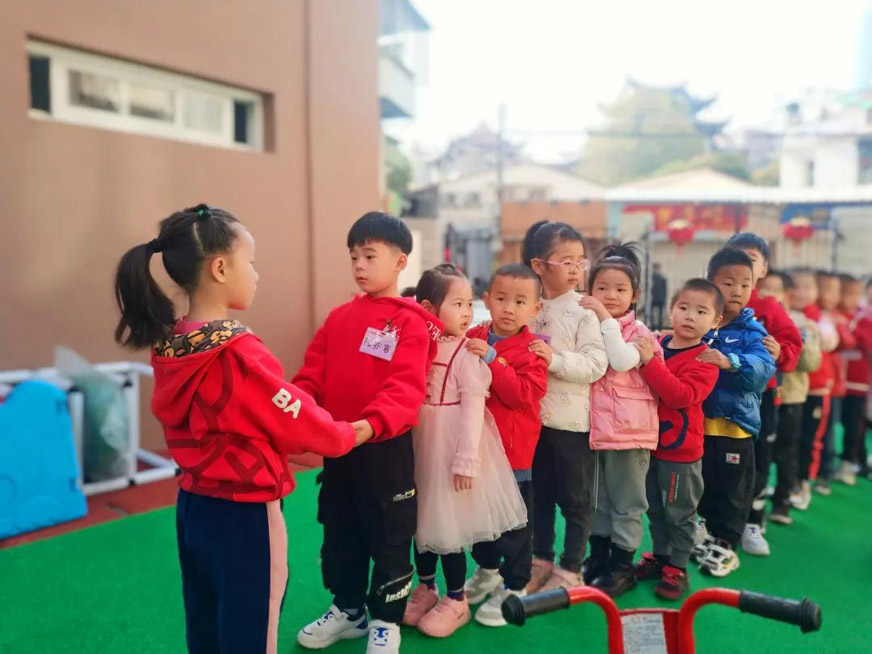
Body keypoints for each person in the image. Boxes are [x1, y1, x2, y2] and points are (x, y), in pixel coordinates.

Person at [114, 204, 371, 654]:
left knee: (205, 621)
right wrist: (354, 431)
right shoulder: (236, 352)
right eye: (249, 262)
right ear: (219, 268)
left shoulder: (172, 343)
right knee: (249, 630)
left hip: (193, 505)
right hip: (244, 515)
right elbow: (297, 421)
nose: (256, 274)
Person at [294, 212, 441, 654]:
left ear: (400, 262)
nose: (359, 265)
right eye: (354, 256)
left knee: (390, 536)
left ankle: (385, 622)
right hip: (339, 447)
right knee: (340, 529)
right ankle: (349, 610)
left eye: (370, 256)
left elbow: (405, 387)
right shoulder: (338, 318)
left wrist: (369, 425)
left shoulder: (411, 322)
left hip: (384, 448)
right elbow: (310, 376)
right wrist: (296, 411)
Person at [402, 265, 526, 638]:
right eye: (457, 304)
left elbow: (473, 408)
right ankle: (427, 587)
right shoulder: (419, 346)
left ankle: (456, 599)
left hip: (451, 447)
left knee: (448, 526)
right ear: (428, 308)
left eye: (469, 304)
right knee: (420, 521)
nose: (467, 313)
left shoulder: (466, 352)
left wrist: (466, 460)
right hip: (419, 445)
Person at [520, 221, 607, 594]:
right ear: (539, 265)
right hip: (533, 422)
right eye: (566, 261)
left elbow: (596, 364)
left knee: (574, 500)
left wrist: (553, 359)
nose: (576, 269)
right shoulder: (528, 307)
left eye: (580, 261)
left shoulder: (584, 311)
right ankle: (541, 559)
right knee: (538, 495)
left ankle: (571, 568)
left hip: (571, 424)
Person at [463, 264, 548, 627]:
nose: (509, 308)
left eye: (519, 301)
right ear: (487, 300)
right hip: (476, 450)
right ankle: (487, 570)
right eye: (501, 299)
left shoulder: (535, 350)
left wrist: (491, 359)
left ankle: (516, 585)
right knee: (479, 517)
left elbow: (522, 395)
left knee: (514, 525)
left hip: (514, 455)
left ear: (535, 308)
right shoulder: (474, 334)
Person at [632, 278, 722, 600]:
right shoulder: (657, 343)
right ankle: (661, 557)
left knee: (679, 513)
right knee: (654, 509)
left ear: (715, 321)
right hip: (648, 445)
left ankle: (678, 567)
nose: (690, 316)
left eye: (701, 311)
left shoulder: (705, 360)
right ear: (671, 309)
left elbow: (680, 395)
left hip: (680, 454)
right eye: (683, 307)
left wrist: (650, 363)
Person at [582, 244, 661, 598]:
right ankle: (599, 557)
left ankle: (622, 566)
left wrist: (603, 317)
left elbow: (620, 360)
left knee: (627, 502)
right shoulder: (585, 326)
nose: (610, 295)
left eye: (620, 289)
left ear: (635, 295)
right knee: (597, 498)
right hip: (595, 432)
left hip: (630, 434)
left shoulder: (640, 333)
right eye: (602, 288)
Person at [691, 248, 776, 578]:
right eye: (728, 283)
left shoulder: (753, 332)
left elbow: (761, 371)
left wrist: (731, 361)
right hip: (698, 426)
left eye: (745, 284)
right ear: (710, 282)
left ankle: (726, 546)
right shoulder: (700, 323)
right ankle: (705, 536)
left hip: (734, 428)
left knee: (732, 491)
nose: (737, 290)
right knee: (702, 485)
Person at [725, 233, 801, 557]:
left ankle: (753, 521)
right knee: (717, 457)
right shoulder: (713, 301)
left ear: (764, 270)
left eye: (751, 259)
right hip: (718, 394)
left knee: (758, 457)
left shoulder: (769, 307)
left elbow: (793, 344)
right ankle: (714, 519)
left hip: (760, 397)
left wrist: (780, 351)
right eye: (736, 256)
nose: (743, 263)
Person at [763, 270, 821, 525]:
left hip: (790, 399)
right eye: (764, 288)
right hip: (763, 398)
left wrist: (801, 341)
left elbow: (812, 363)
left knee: (787, 451)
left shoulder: (801, 323)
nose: (769, 294)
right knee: (761, 453)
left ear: (788, 295)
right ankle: (755, 506)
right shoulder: (753, 320)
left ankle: (782, 502)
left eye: (775, 290)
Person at [792, 269, 839, 510]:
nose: (801, 293)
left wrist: (813, 330)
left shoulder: (819, 318)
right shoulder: (785, 314)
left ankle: (803, 483)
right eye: (797, 286)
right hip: (792, 390)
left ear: (816, 291)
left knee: (810, 439)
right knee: (790, 439)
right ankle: (788, 483)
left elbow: (831, 341)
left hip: (816, 390)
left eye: (808, 287)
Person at [834, 274, 872, 485]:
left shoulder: (862, 319)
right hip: (837, 381)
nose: (852, 298)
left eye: (855, 294)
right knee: (836, 424)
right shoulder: (839, 316)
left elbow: (867, 342)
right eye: (847, 293)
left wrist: (850, 328)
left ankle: (850, 462)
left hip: (858, 383)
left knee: (855, 425)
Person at [651, 263, 668, 330]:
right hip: (653, 298)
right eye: (655, 269)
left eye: (657, 269)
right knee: (652, 314)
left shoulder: (662, 279)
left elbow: (665, 290)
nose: (656, 270)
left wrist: (664, 299)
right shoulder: (651, 278)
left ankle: (660, 326)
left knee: (660, 314)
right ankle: (653, 326)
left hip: (660, 299)